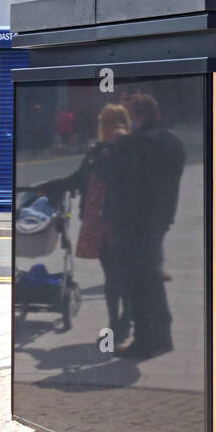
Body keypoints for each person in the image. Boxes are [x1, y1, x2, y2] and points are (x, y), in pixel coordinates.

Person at [40, 103, 132, 337]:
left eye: (112, 122)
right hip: (97, 222)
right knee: (112, 275)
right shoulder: (95, 151)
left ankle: (126, 319)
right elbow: (77, 179)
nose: (107, 127)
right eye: (105, 122)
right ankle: (116, 322)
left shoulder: (131, 149)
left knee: (121, 275)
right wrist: (49, 186)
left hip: (122, 221)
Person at [116, 91, 187, 359]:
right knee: (152, 279)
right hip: (160, 218)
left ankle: (144, 340)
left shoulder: (136, 143)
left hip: (135, 222)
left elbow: (125, 184)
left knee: (139, 284)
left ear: (137, 117)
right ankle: (162, 338)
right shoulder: (174, 142)